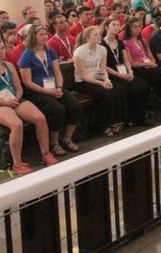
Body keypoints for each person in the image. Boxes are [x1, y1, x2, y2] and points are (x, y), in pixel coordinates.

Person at [17, 24, 82, 155]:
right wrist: (48, 92)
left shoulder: (50, 51)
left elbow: (57, 73)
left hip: (53, 87)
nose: (44, 37)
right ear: (33, 37)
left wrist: (58, 87)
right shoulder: (26, 55)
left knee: (75, 106)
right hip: (36, 91)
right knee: (58, 110)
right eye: (41, 35)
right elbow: (27, 82)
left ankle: (67, 138)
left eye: (45, 34)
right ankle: (54, 142)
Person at [0, 42, 58, 175]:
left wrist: (18, 98)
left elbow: (18, 88)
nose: (1, 52)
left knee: (40, 118)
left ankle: (45, 153)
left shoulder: (8, 66)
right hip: (2, 103)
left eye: (2, 48)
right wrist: (6, 102)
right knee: (16, 124)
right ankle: (17, 163)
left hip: (14, 99)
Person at [122, 17, 161, 120]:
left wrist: (151, 63)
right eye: (135, 27)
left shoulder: (143, 41)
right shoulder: (126, 43)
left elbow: (151, 57)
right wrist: (145, 65)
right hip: (139, 69)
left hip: (150, 66)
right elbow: (130, 63)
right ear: (129, 28)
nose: (137, 29)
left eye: (139, 26)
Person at [72, 27, 128, 137]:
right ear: (87, 38)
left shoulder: (102, 49)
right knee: (105, 94)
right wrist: (101, 83)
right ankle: (103, 125)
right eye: (95, 35)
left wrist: (106, 80)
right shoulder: (80, 52)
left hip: (98, 77)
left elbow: (103, 69)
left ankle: (115, 121)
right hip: (83, 82)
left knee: (119, 89)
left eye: (99, 34)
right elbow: (83, 75)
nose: (99, 37)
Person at [102, 19, 151, 126]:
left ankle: (140, 115)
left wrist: (130, 71)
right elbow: (104, 65)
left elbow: (125, 60)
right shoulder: (102, 44)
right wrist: (120, 75)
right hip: (112, 73)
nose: (116, 27)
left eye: (118, 25)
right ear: (107, 27)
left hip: (125, 71)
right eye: (113, 25)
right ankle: (131, 117)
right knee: (131, 89)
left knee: (144, 86)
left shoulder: (119, 43)